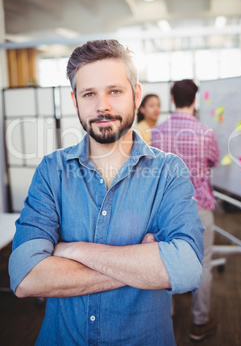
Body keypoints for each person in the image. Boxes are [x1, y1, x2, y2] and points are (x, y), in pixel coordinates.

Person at [9, 41, 204, 346]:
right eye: (89, 94)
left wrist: (72, 250)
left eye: (115, 91)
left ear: (136, 95)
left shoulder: (169, 172)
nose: (102, 106)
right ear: (75, 101)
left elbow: (187, 268)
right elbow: (24, 276)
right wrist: (141, 268)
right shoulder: (52, 171)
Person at [151, 79, 220, 342]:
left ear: (171, 99)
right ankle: (199, 322)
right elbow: (212, 161)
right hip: (198, 207)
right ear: (195, 100)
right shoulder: (206, 133)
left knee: (164, 263)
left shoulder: (156, 134)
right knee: (202, 264)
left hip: (164, 210)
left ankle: (164, 317)